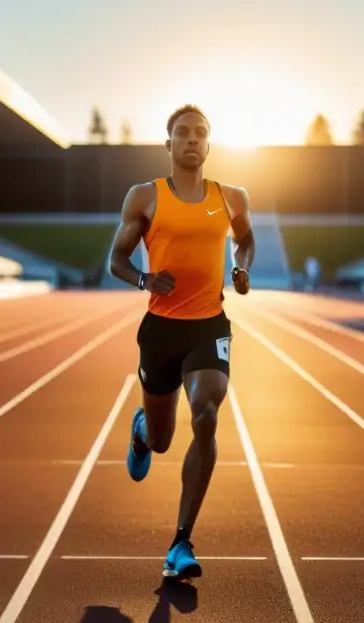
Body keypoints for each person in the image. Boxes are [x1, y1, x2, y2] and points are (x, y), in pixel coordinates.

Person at [109, 104, 255, 580]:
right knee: (163, 439)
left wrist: (242, 266)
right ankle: (141, 431)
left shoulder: (231, 197)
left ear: (208, 145)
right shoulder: (144, 197)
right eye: (183, 133)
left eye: (200, 133)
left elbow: (246, 240)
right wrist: (145, 279)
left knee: (207, 413)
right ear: (168, 144)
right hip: (160, 331)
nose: (192, 139)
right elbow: (118, 259)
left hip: (208, 326)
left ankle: (181, 542)